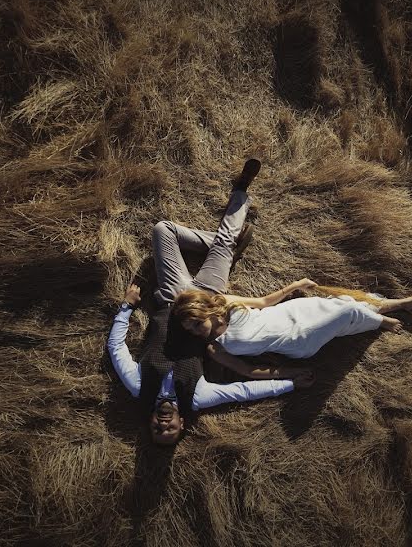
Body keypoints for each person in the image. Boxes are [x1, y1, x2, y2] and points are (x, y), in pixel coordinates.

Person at [106, 159, 313, 445]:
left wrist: (127, 306)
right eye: (171, 430)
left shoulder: (138, 386)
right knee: (225, 241)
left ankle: (223, 244)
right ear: (183, 423)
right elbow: (243, 389)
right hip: (208, 300)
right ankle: (240, 194)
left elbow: (116, 347)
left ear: (150, 421)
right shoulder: (198, 397)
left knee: (162, 230)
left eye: (157, 429)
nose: (164, 425)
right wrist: (290, 383)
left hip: (170, 297)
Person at [171, 282, 412, 367]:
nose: (196, 332)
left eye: (195, 323)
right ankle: (385, 316)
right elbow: (249, 373)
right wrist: (290, 377)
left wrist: (294, 286)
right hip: (297, 339)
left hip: (290, 312)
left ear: (204, 310)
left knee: (340, 307)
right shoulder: (216, 349)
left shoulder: (225, 302)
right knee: (347, 310)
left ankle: (395, 305)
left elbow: (263, 302)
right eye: (190, 331)